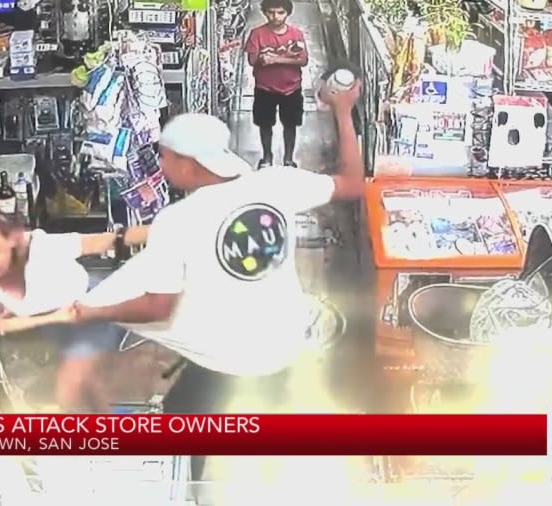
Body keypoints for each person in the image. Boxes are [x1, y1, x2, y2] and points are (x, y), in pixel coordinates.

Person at [72, 82, 363, 476]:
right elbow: (351, 182)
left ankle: (190, 486)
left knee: (182, 439)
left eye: (165, 157)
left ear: (190, 165)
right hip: (284, 348)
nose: (160, 165)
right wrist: (343, 110)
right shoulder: (275, 183)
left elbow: (158, 306)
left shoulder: (177, 221)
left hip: (226, 361)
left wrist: (92, 311)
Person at [0, 206, 148, 412]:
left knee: (69, 389)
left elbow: (103, 240)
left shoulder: (42, 247)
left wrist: (163, 232)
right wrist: (53, 318)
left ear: (10, 241)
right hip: (58, 322)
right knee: (89, 387)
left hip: (89, 309)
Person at [244, 0, 308, 168]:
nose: (276, 17)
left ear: (287, 13)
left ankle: (288, 158)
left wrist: (274, 59)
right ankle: (267, 157)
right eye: (271, 12)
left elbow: (303, 59)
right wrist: (271, 59)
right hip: (265, 88)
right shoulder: (256, 34)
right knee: (265, 124)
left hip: (292, 88)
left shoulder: (296, 34)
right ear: (265, 12)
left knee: (291, 125)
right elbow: (252, 60)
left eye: (280, 12)